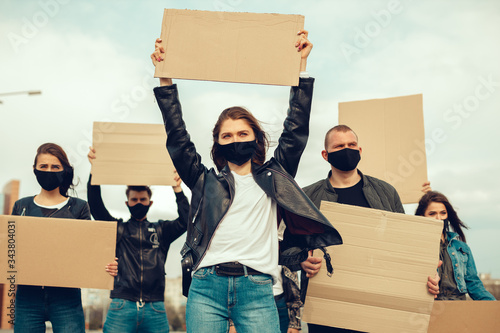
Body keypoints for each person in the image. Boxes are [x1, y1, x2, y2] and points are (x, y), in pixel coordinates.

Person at [151, 30, 342, 333]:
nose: (235, 139)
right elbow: (177, 137)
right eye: (227, 135)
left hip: (257, 289)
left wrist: (301, 69)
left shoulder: (275, 176)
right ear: (217, 143)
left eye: (243, 134)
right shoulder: (203, 181)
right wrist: (165, 81)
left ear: (256, 139)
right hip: (205, 288)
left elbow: (295, 131)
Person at [302, 125, 440, 333]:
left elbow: (402, 246)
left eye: (352, 145)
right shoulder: (308, 197)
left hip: (379, 307)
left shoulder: (385, 192)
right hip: (328, 310)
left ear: (360, 150)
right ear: (325, 154)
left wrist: (427, 274)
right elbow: (289, 247)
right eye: (339, 146)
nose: (347, 150)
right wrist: (302, 259)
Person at [11, 143, 115, 333]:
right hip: (27, 297)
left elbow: (88, 251)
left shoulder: (79, 207)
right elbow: (12, 251)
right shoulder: (21, 206)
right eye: (43, 167)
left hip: (66, 298)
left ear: (64, 170)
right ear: (35, 170)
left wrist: (106, 265)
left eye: (55, 167)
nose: (49, 171)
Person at [87, 147, 190, 333]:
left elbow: (186, 220)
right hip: (122, 304)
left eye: (143, 199)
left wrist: (177, 189)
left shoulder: (162, 230)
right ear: (127, 203)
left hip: (155, 307)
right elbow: (96, 208)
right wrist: (95, 171)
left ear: (150, 203)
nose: (139, 203)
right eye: (134, 200)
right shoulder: (118, 229)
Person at [415, 191, 495, 300]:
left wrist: (493, 306)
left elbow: (474, 284)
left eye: (443, 213)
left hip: (458, 308)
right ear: (422, 216)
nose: (439, 218)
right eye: (432, 213)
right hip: (431, 308)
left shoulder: (461, 247)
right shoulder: (416, 247)